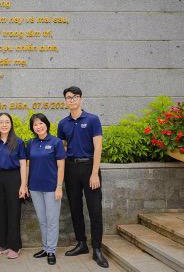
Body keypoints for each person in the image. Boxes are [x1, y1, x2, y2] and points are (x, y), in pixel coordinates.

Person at [57, 86, 109, 268]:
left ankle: (97, 249)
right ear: (65, 101)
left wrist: (95, 173)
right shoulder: (63, 124)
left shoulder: (93, 120)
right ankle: (81, 243)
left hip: (89, 168)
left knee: (95, 210)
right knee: (75, 208)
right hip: (71, 169)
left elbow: (98, 148)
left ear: (81, 99)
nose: (71, 100)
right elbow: (62, 148)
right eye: (68, 97)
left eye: (75, 97)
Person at [26, 113, 65, 265]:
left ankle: (51, 251)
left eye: (41, 123)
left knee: (52, 220)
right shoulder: (31, 143)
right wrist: (26, 185)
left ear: (46, 124)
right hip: (35, 187)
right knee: (42, 220)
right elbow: (28, 165)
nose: (38, 126)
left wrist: (59, 187)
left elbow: (61, 166)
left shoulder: (56, 142)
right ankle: (45, 247)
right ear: (32, 128)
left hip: (51, 188)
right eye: (35, 124)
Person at [0, 112, 28, 259]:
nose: (4, 125)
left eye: (7, 122)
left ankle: (15, 246)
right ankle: (2, 244)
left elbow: (23, 164)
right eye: (1, 122)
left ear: (11, 124)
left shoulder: (18, 142)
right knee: (0, 212)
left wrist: (23, 185)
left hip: (14, 177)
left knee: (14, 212)